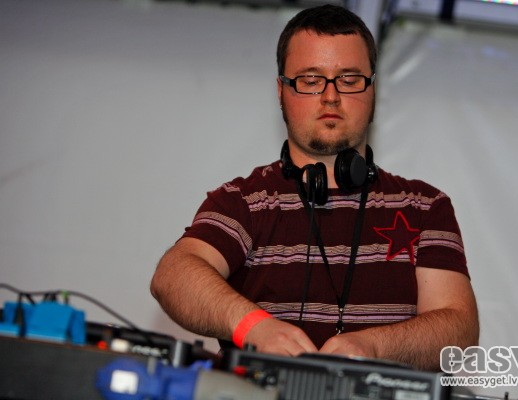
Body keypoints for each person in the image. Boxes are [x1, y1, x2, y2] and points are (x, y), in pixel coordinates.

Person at [150, 4, 478, 371]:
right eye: (310, 80)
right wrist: (253, 326)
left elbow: (460, 330)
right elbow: (173, 275)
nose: (330, 96)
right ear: (281, 91)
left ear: (372, 89)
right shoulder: (243, 202)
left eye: (349, 79)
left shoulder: (425, 207)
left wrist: (372, 347)